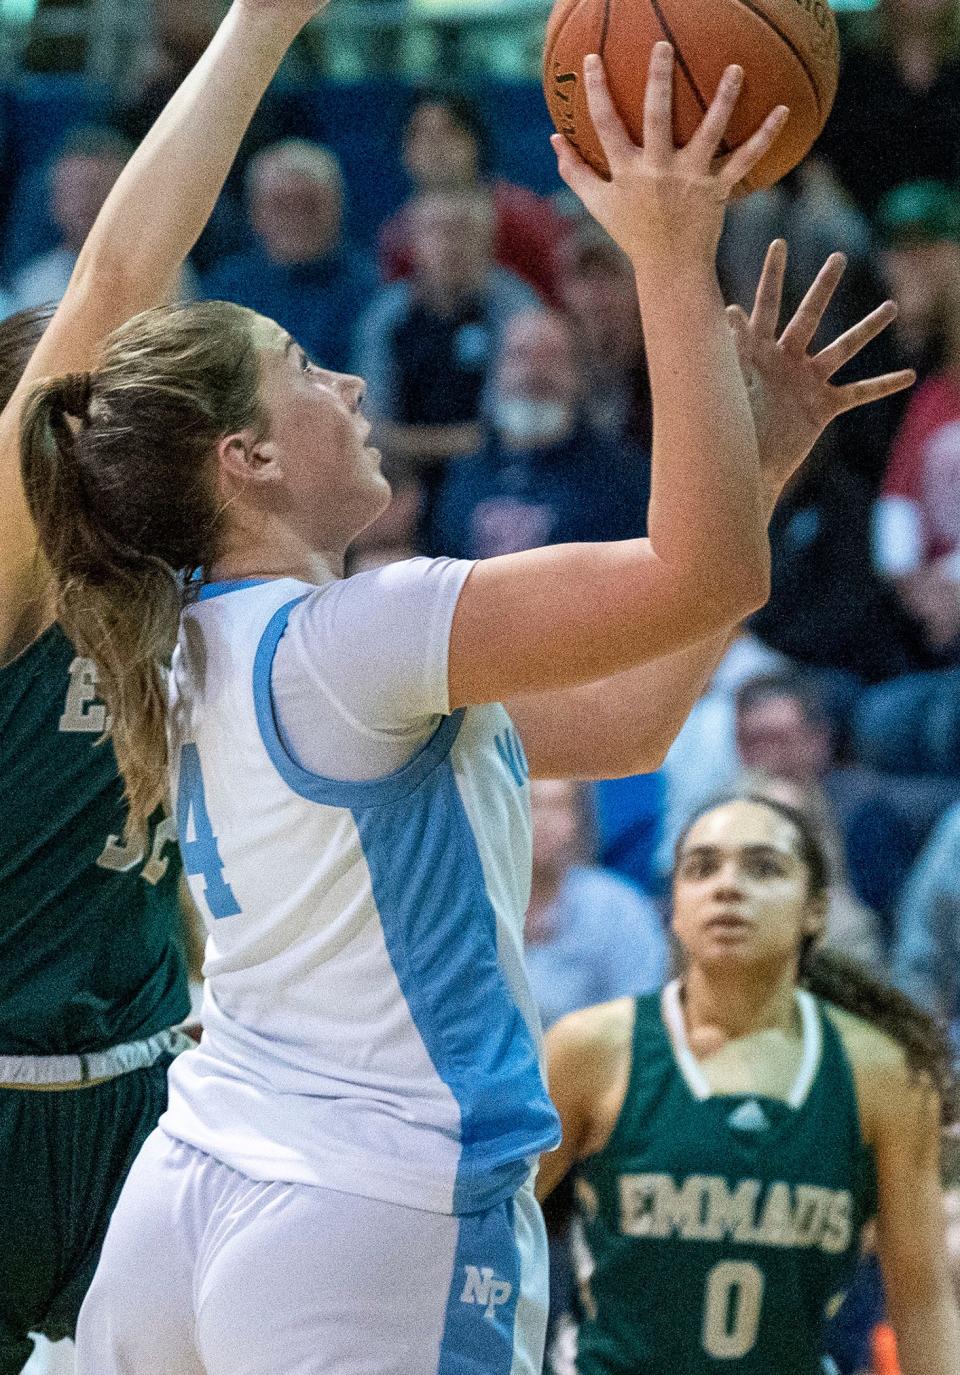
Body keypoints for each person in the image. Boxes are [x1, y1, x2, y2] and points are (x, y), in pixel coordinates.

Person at [18, 45, 909, 1374]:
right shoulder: (356, 636)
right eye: (310, 372)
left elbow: (624, 724)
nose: (355, 385)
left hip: (197, 1181)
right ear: (244, 458)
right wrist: (672, 248)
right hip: (375, 1204)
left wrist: (759, 461)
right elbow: (704, 573)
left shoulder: (203, 643)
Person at [0, 1, 329, 1371]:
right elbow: (121, 271)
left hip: (144, 1089)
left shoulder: (191, 589)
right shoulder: (15, 576)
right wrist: (261, 23)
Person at [539, 794, 959, 1375]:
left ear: (816, 909)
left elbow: (921, 1301)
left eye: (763, 867)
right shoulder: (592, 1049)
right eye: (701, 867)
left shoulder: (881, 1073)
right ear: (676, 909)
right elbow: (493, 1235)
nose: (727, 887)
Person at [428, 308, 651, 559]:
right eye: (520, 355)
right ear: (497, 371)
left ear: (579, 375)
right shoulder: (462, 473)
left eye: (551, 356)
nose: (533, 371)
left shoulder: (625, 479)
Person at [378, 84, 566, 306]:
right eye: (421, 134)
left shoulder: (525, 217)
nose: (436, 147)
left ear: (475, 141)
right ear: (404, 151)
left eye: (450, 131)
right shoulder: (396, 236)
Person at [201, 139, 378, 373]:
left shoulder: (374, 290)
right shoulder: (224, 290)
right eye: (281, 205)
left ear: (337, 208)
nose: (297, 218)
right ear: (255, 214)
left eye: (309, 205)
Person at [523, 779, 667, 1033]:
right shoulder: (476, 906)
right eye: (530, 805)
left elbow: (639, 1019)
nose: (542, 819)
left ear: (580, 817)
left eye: (557, 806)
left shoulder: (620, 909)